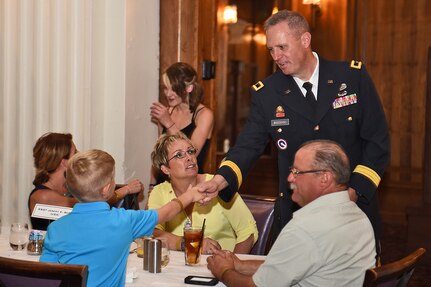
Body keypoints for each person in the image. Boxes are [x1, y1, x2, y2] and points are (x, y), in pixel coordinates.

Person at [198, 10, 389, 250]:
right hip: (298, 216)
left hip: (352, 211)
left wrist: (351, 194)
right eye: (271, 50)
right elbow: (248, 145)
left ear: (305, 40)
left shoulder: (352, 77)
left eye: (282, 47)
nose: (276, 56)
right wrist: (220, 180)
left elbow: (377, 142)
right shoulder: (267, 93)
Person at [207, 140, 376, 287]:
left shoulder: (306, 229)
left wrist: (223, 271)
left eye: (297, 172)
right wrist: (239, 265)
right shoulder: (358, 217)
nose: (289, 178)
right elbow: (289, 265)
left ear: (325, 178)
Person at [40, 149, 205, 287]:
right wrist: (189, 196)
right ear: (107, 189)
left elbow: (47, 276)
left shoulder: (55, 228)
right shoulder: (124, 221)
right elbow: (165, 213)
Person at [148, 132, 258, 254]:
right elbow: (152, 232)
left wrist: (232, 265)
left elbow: (248, 231)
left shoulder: (217, 184)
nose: (189, 158)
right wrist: (190, 243)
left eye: (190, 151)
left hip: (221, 266)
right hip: (180, 267)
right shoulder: (159, 192)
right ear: (165, 169)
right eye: (179, 155)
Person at [29, 132, 143, 230]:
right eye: (75, 152)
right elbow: (92, 204)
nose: (79, 154)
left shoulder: (70, 187)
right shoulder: (41, 196)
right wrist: (126, 190)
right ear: (64, 162)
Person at [149, 62, 214, 187]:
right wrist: (152, 185)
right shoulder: (167, 112)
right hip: (164, 184)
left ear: (188, 88)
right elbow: (159, 154)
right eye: (165, 88)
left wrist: (168, 123)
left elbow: (191, 152)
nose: (168, 93)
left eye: (173, 88)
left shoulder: (204, 115)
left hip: (190, 186)